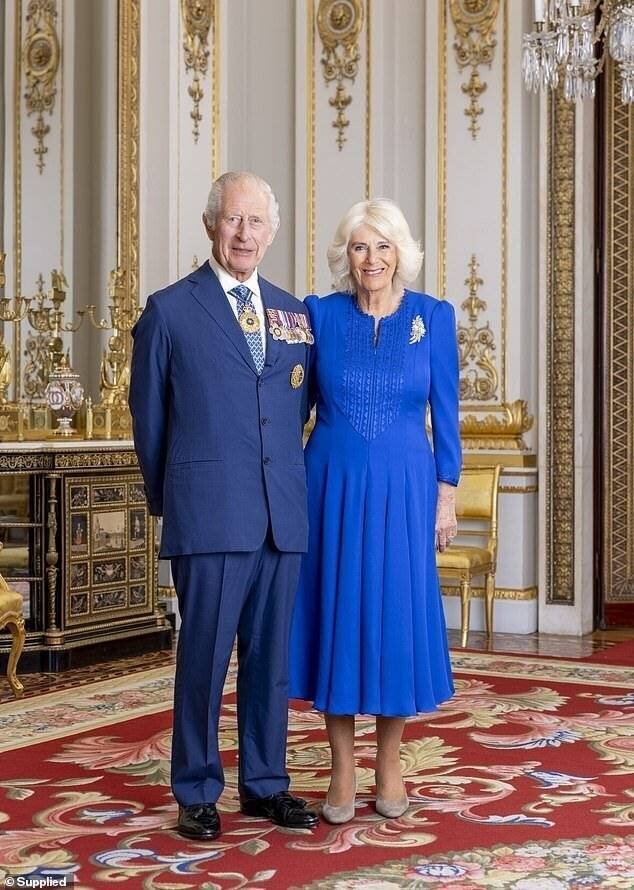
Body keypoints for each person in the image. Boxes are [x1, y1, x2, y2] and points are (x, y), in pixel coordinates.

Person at [129, 171, 318, 841]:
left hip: (280, 516)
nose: (244, 233)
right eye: (233, 220)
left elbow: (306, 408)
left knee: (271, 661)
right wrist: (173, 500)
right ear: (212, 226)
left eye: (256, 223)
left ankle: (266, 785)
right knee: (205, 659)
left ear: (272, 232)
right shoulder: (170, 310)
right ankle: (197, 789)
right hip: (209, 513)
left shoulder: (296, 313)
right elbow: (148, 421)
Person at [289, 198, 461, 824]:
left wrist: (447, 494)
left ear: (401, 253)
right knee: (335, 610)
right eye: (360, 247)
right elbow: (293, 408)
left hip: (405, 489)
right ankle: (341, 767)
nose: (372, 259)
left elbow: (447, 413)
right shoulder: (319, 316)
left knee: (393, 616)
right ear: (346, 256)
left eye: (383, 246)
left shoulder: (433, 318)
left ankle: (389, 762)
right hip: (329, 484)